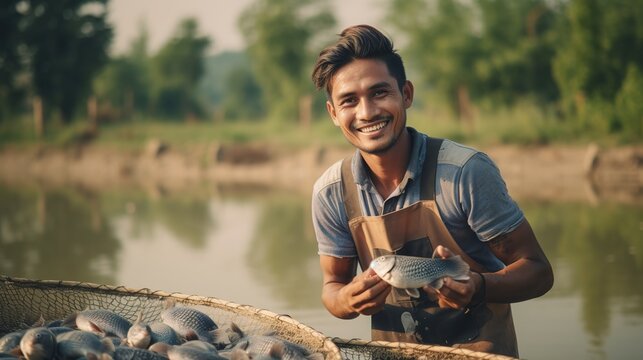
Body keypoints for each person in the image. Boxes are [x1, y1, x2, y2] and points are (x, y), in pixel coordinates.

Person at [310, 24, 553, 357]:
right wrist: (347, 299)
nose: (366, 113)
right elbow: (332, 288)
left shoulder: (466, 172)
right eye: (349, 101)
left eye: (380, 92)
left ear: (406, 94)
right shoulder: (332, 193)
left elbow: (537, 271)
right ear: (334, 114)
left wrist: (479, 287)